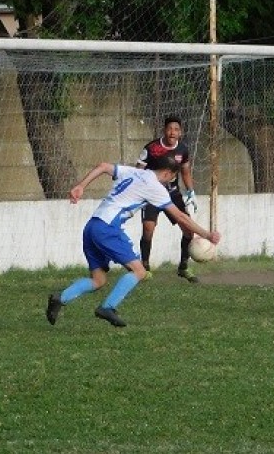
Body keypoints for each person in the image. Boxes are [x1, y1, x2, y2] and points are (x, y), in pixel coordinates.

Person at [45, 156, 220, 327]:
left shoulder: (134, 172)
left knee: (98, 280)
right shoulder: (155, 187)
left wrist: (80, 186)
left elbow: (103, 166)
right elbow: (181, 217)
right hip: (108, 229)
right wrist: (206, 234)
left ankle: (60, 298)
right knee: (139, 271)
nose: (169, 183)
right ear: (167, 173)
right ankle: (107, 307)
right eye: (172, 179)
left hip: (92, 226)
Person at [136, 115, 200, 282]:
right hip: (151, 194)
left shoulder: (183, 150)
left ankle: (184, 266)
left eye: (176, 129)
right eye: (170, 129)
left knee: (188, 229)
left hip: (172, 193)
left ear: (181, 132)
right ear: (164, 130)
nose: (173, 132)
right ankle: (144, 267)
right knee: (148, 229)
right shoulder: (152, 148)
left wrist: (191, 192)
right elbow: (138, 171)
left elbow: (185, 172)